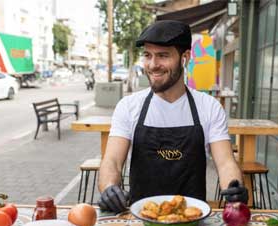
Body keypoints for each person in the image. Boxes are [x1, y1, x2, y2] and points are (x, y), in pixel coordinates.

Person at [98, 20, 248, 213]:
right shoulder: (128, 107)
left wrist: (234, 187)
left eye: (163, 56)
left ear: (185, 57)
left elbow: (226, 162)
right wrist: (109, 187)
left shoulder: (208, 107)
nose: (153, 65)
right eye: (147, 55)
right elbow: (112, 161)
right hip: (141, 219)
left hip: (192, 219)